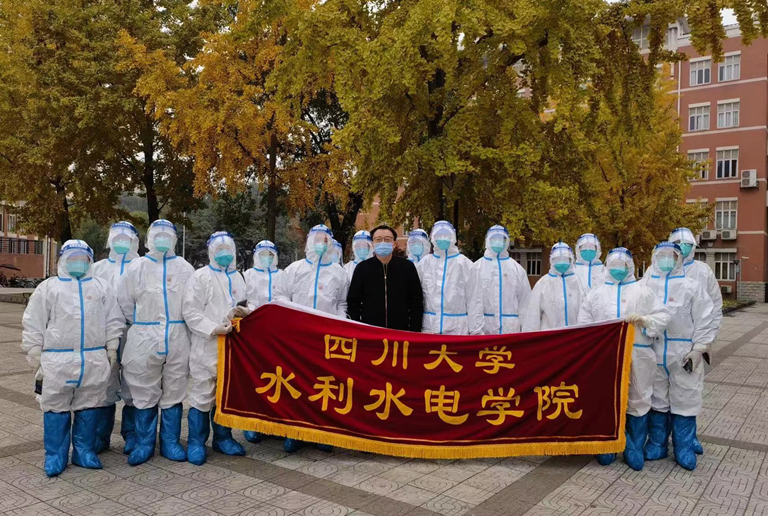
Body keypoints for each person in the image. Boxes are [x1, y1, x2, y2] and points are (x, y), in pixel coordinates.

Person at [22, 240, 124, 476]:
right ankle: (55, 456)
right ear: (63, 260)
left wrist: (112, 346)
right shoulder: (49, 288)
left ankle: (84, 451)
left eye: (83, 258)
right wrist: (34, 351)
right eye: (73, 258)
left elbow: (113, 319)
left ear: (90, 261)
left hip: (93, 357)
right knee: (55, 407)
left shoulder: (101, 287)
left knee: (89, 405)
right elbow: (34, 320)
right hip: (57, 359)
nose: (78, 262)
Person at [577, 247, 670, 470]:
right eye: (614, 265)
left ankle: (634, 446)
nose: (618, 269)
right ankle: (607, 443)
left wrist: (646, 321)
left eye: (623, 265)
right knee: (605, 397)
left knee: (638, 397)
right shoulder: (596, 293)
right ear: (607, 266)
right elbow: (584, 323)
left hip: (638, 352)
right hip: (605, 355)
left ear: (630, 266)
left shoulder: (643, 291)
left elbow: (663, 315)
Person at [118, 219, 195, 465]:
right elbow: (125, 302)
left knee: (175, 387)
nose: (162, 238)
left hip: (177, 334)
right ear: (149, 238)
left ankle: (170, 442)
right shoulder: (136, 267)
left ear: (174, 239)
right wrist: (144, 324)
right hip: (144, 334)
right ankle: (144, 443)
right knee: (143, 388)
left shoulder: (184, 268)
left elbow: (191, 302)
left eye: (167, 235)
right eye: (157, 234)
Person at [641, 242, 715, 470]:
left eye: (671, 256)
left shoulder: (691, 287)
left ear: (678, 258)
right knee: (657, 400)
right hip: (654, 351)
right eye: (661, 255)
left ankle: (683, 447)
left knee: (685, 399)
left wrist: (699, 348)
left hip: (683, 354)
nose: (666, 260)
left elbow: (705, 319)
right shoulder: (645, 286)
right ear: (654, 258)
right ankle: (657, 444)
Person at [276, 224, 348, 452]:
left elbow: (342, 303)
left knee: (324, 383)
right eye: (317, 239)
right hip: (297, 337)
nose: (321, 244)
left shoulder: (339, 273)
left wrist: (339, 322)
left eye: (325, 240)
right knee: (296, 383)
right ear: (308, 241)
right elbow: (280, 297)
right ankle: (294, 432)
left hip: (327, 339)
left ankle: (322, 432)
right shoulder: (294, 269)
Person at [183, 231, 250, 465]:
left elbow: (245, 303)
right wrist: (213, 328)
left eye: (228, 249)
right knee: (202, 394)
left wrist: (246, 312)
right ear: (211, 251)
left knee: (225, 393)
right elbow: (190, 311)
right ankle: (196, 442)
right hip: (207, 344)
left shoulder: (238, 277)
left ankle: (223, 438)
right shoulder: (200, 277)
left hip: (232, 346)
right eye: (219, 250)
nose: (224, 254)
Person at [668, 227, 722, 456]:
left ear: (694, 246)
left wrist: (704, 343)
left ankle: (688, 439)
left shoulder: (703, 271)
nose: (682, 247)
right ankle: (659, 439)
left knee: (688, 393)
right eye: (677, 243)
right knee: (660, 394)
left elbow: (714, 307)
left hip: (690, 345)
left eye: (687, 244)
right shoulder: (660, 269)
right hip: (663, 345)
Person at [90, 221, 140, 454]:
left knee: (135, 382)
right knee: (104, 383)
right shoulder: (97, 268)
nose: (121, 243)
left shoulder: (141, 266)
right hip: (103, 335)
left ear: (134, 242)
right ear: (110, 240)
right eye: (116, 238)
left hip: (135, 332)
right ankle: (100, 437)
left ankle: (133, 435)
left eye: (125, 239)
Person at [242, 239, 282, 444]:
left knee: (276, 378)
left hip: (278, 335)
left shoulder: (283, 275)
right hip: (253, 334)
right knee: (253, 377)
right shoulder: (247, 275)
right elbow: (241, 302)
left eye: (270, 254)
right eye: (262, 253)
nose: (267, 257)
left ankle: (275, 422)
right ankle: (251, 423)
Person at [347, 225, 423, 331]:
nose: (382, 242)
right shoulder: (362, 268)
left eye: (387, 239)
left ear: (394, 243)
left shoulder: (407, 267)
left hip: (401, 331)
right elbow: (353, 302)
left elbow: (416, 301)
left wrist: (415, 330)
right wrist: (357, 329)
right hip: (370, 331)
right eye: (378, 239)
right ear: (373, 244)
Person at [417, 220, 483, 335]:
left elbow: (474, 300)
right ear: (433, 238)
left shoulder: (465, 264)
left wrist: (476, 332)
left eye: (446, 235)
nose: (442, 239)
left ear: (453, 238)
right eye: (439, 236)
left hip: (457, 330)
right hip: (429, 328)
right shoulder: (424, 263)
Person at [473, 225, 531, 335]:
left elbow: (525, 302)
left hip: (510, 330)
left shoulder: (517, 269)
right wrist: (475, 329)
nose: (498, 242)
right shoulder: (476, 268)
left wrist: (526, 331)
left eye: (501, 239)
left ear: (507, 241)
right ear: (487, 241)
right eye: (494, 239)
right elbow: (472, 302)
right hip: (484, 329)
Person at [521, 242, 585, 331]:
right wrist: (530, 336)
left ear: (571, 260)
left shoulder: (579, 282)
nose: (561, 263)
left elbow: (585, 313)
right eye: (557, 259)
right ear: (551, 260)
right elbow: (533, 314)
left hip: (574, 335)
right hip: (549, 335)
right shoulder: (543, 283)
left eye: (565, 259)